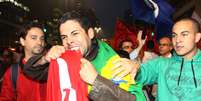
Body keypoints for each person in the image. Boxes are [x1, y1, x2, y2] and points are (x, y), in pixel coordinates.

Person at [23, 9, 145, 101]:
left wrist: (96, 81)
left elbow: (136, 99)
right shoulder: (65, 59)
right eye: (64, 37)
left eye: (75, 33)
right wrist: (45, 58)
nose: (69, 41)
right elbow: (30, 70)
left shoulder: (113, 62)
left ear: (90, 33)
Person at [80, 18, 201, 101]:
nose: (177, 40)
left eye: (184, 34)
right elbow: (141, 72)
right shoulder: (162, 63)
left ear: (197, 37)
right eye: (174, 35)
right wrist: (134, 66)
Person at [0, 21, 47, 101]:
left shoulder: (51, 67)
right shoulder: (13, 72)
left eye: (42, 38)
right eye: (34, 38)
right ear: (22, 41)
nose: (39, 42)